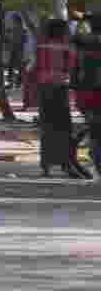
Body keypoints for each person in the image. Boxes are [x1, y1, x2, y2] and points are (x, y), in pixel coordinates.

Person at [36, 18, 80, 178]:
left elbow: (35, 67)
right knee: (63, 128)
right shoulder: (67, 48)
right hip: (61, 90)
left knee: (47, 128)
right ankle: (66, 164)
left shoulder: (41, 46)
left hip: (45, 90)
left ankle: (45, 166)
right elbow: (72, 68)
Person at [73, 14, 101, 177]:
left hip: (86, 95)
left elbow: (75, 72)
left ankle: (96, 161)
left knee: (94, 131)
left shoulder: (82, 44)